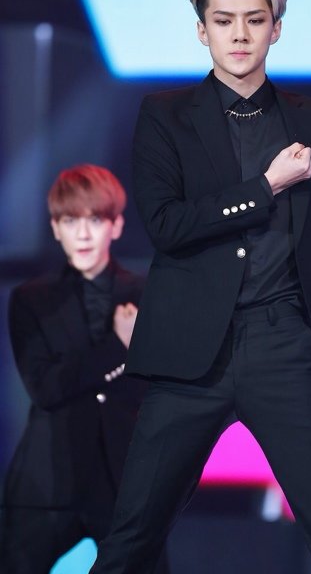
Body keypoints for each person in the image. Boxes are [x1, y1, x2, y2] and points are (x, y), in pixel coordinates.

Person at [90, 0, 311, 574]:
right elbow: (167, 226)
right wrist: (264, 187)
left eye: (255, 20)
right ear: (201, 30)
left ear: (276, 29)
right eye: (224, 20)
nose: (239, 34)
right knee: (129, 541)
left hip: (284, 346)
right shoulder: (165, 116)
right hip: (188, 356)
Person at [0, 164, 170, 574]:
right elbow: (45, 388)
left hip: (125, 481)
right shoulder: (31, 298)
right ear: (55, 228)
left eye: (94, 220)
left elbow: (159, 389)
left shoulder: (149, 293)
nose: (82, 234)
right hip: (48, 481)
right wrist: (119, 345)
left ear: (116, 225)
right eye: (69, 221)